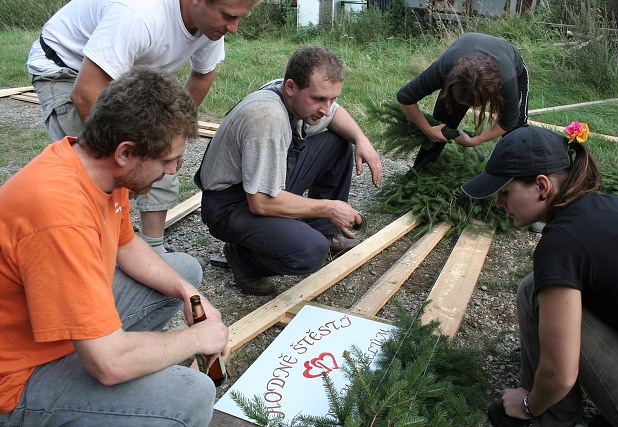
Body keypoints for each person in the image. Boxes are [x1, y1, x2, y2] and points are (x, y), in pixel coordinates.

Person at [0, 67, 228, 426]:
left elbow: (125, 245)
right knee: (190, 396)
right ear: (125, 152)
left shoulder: (100, 169)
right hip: (16, 380)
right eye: (169, 160)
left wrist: (186, 292)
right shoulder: (60, 216)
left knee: (183, 272)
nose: (173, 171)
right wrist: (195, 339)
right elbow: (109, 364)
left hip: (55, 333)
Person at [26, 0, 258, 253]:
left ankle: (152, 246)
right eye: (227, 16)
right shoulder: (139, 13)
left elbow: (203, 75)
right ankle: (89, 246)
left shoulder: (211, 25)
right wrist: (123, 159)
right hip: (67, 67)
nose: (233, 28)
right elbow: (85, 93)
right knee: (94, 167)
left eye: (240, 18)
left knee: (161, 151)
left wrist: (172, 137)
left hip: (127, 70)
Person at [461, 124, 618, 427]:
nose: (499, 203)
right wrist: (547, 341)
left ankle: (550, 418)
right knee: (534, 288)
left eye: (505, 192)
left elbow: (560, 375)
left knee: (536, 297)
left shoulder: (561, 243)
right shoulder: (608, 207)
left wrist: (530, 405)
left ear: (542, 187)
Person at [196, 45, 383, 296]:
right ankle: (243, 260)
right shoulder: (267, 117)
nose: (326, 109)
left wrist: (362, 140)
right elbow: (260, 203)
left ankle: (324, 233)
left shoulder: (290, 95)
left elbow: (336, 116)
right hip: (230, 204)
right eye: (318, 99)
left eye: (332, 98)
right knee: (310, 252)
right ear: (291, 87)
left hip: (260, 184)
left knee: (338, 142)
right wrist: (328, 208)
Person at [397, 32, 529, 176]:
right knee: (442, 124)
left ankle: (515, 180)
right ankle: (419, 175)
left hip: (510, 67)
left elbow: (509, 121)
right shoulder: (445, 67)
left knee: (517, 131)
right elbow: (405, 97)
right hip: (461, 63)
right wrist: (428, 130)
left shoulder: (507, 79)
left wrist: (476, 140)